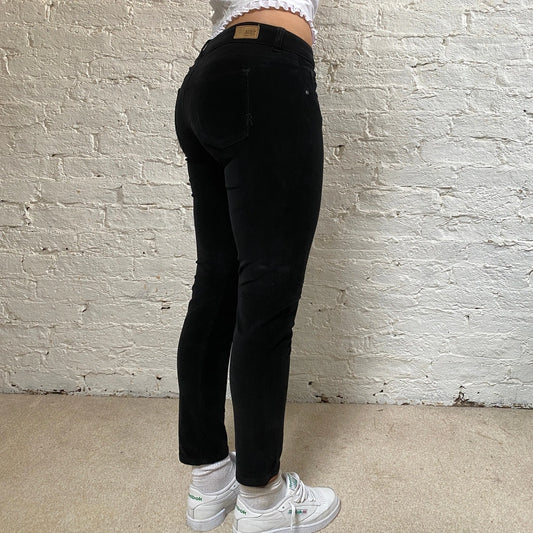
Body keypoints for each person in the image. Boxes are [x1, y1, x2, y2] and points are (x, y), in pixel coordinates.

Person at [174, 2, 341, 531]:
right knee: (267, 288)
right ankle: (263, 499)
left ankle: (209, 481)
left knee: (216, 282)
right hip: (267, 72)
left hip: (207, 75)